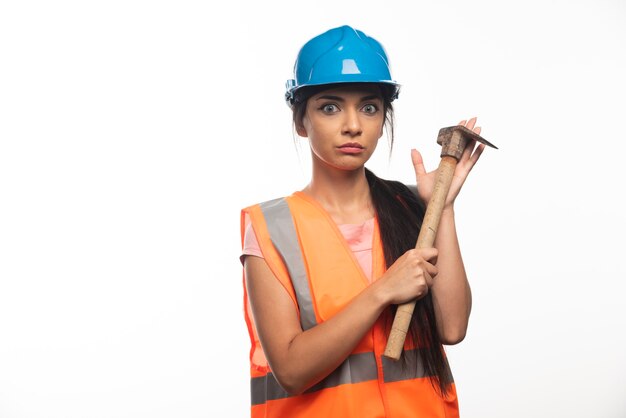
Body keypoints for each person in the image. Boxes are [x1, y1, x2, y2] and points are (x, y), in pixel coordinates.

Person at [239, 25, 487, 418]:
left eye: (369, 107)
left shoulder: (410, 206)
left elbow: (453, 328)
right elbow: (290, 370)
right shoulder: (273, 228)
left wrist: (444, 208)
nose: (353, 125)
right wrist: (383, 290)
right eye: (330, 107)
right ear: (301, 121)